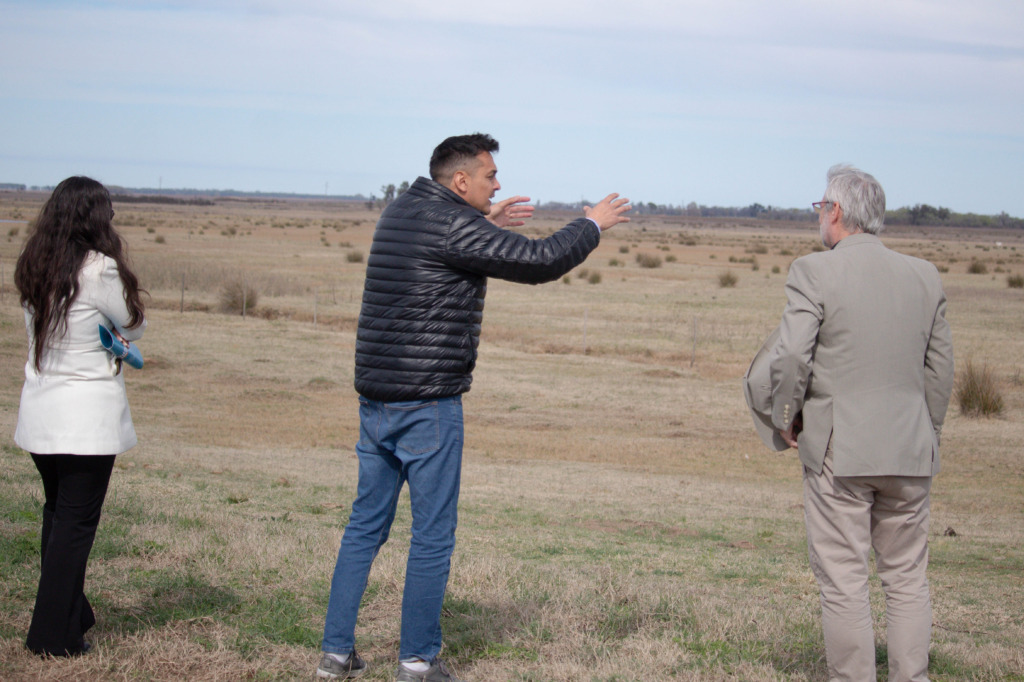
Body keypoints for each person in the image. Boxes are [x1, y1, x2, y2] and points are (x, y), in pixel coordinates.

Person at [317, 133, 631, 681]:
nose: (498, 184)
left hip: (377, 401)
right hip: (428, 404)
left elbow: (454, 246)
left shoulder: (403, 210)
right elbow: (539, 260)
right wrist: (592, 225)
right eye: (490, 176)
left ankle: (335, 655)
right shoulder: (452, 224)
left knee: (364, 527)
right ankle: (417, 662)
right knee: (432, 535)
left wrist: (484, 222)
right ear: (460, 180)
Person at [767, 165, 954, 681]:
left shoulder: (813, 271)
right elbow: (940, 369)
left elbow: (791, 356)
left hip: (839, 453)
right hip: (910, 450)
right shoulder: (925, 275)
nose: (818, 216)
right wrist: (928, 433)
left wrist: (785, 417)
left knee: (845, 580)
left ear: (836, 212)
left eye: (819, 207)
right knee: (908, 578)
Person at [14, 176, 147, 657]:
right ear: (94, 217)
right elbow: (134, 322)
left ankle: (70, 615)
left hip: (41, 413)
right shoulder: (100, 269)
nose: (112, 218)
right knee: (74, 527)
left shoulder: (35, 263)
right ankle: (52, 636)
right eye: (108, 211)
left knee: (58, 518)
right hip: (86, 422)